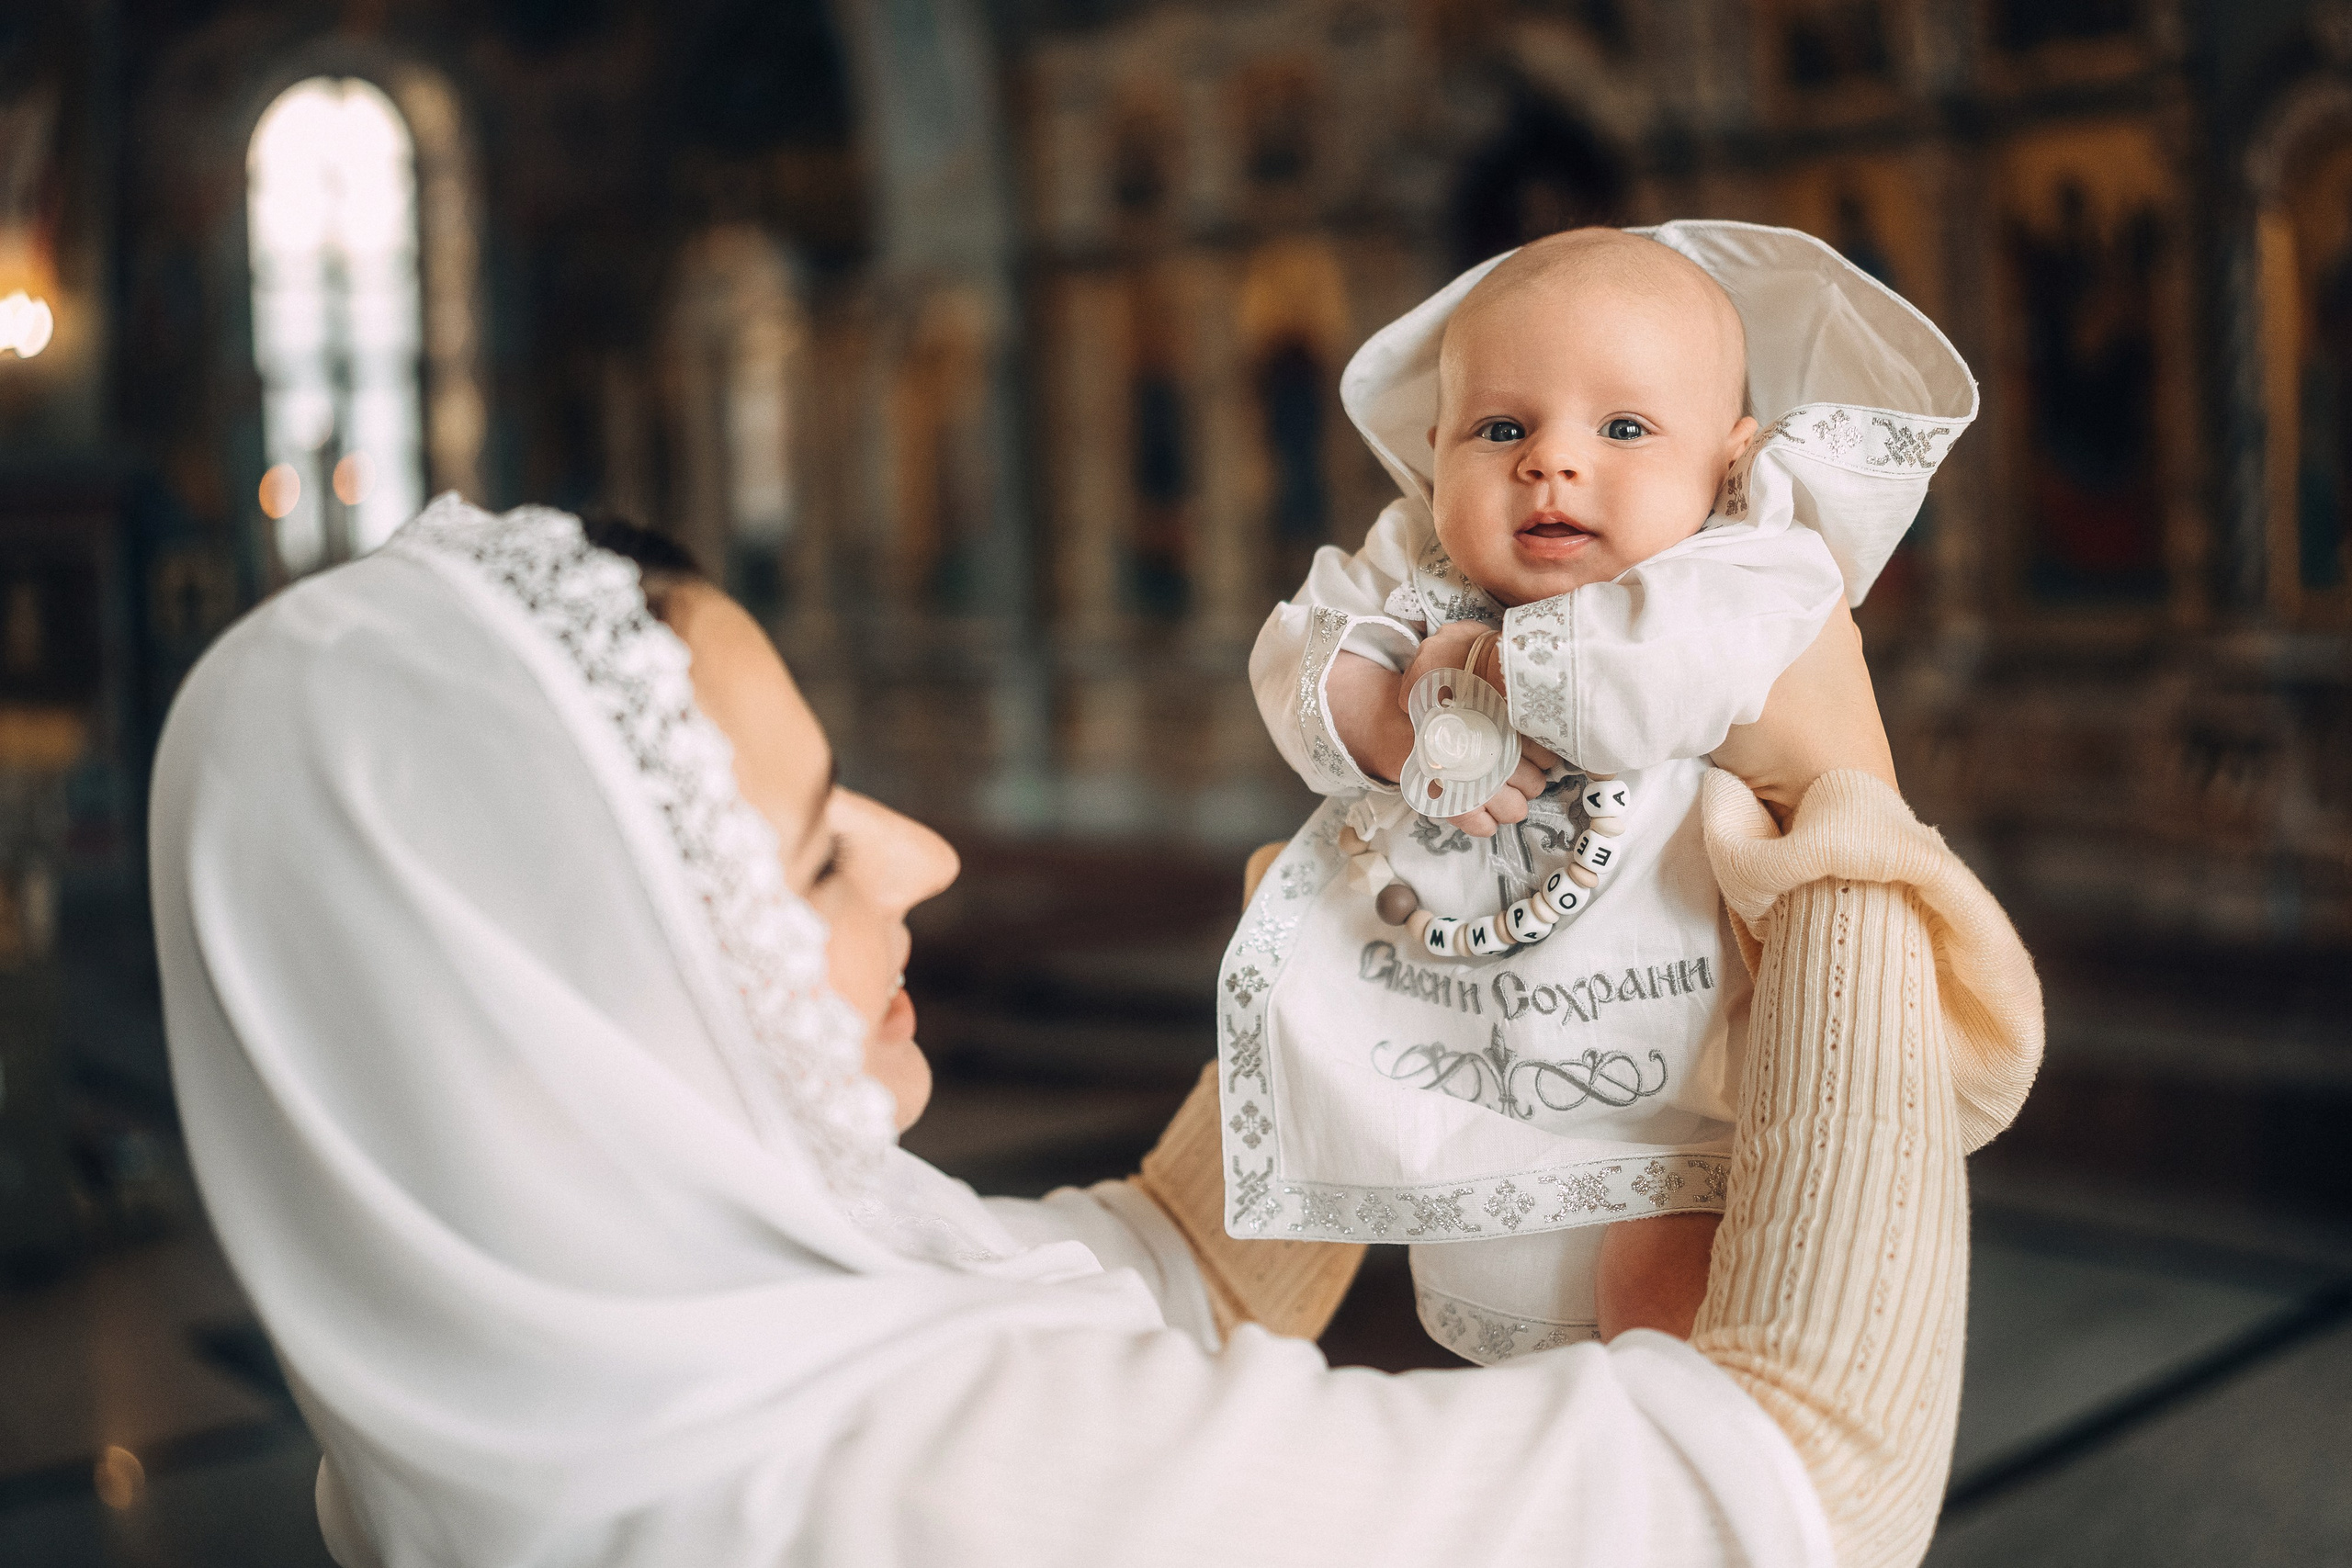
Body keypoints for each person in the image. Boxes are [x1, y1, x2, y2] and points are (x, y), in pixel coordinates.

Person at [151, 495, 2040, 1568]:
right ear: (559, 1020)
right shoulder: (911, 1492)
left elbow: (1157, 1272)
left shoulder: (557, 1385)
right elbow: (1798, 1487)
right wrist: (1839, 809)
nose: (922, 851)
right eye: (811, 856)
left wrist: (1400, 906)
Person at [1237, 221, 1993, 1363]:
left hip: (1679, 1068)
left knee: (1669, 1319)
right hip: (1463, 1052)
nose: (1551, 462)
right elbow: (1297, 651)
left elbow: (1654, 677)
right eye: (1501, 429)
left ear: (1727, 460)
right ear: (1435, 445)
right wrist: (1386, 715)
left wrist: (1492, 673)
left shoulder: (1746, 565)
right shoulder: (1411, 569)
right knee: (1482, 1308)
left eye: (1624, 428)